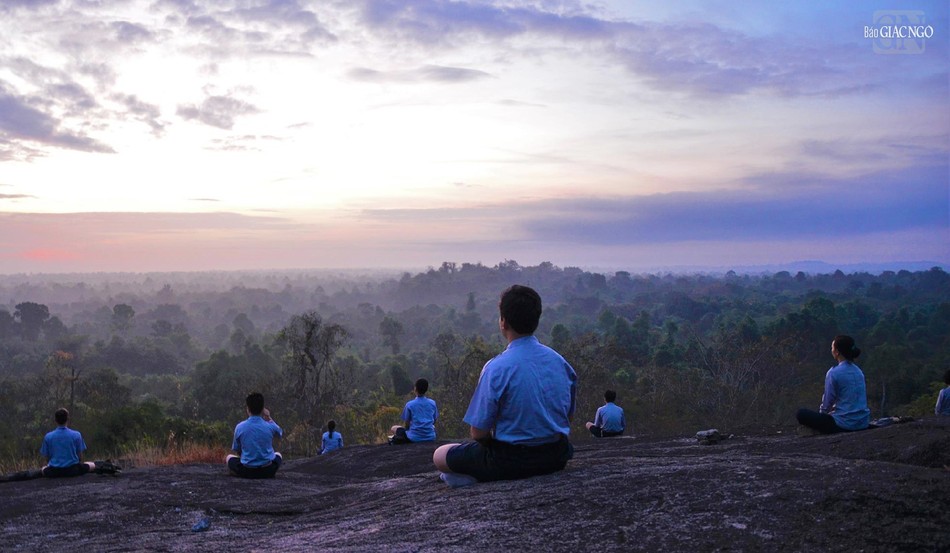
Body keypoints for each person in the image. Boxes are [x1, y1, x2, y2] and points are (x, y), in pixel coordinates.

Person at [433, 285, 577, 487]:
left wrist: (497, 448)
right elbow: (567, 418)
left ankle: (471, 477)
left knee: (440, 454)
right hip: (556, 457)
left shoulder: (496, 368)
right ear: (536, 319)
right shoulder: (561, 363)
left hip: (510, 461)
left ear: (503, 322)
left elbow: (478, 433)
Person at [796, 335, 870, 434]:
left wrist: (822, 417)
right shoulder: (858, 371)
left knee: (801, 413)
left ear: (837, 352)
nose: (831, 350)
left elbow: (827, 403)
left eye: (832, 347)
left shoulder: (834, 373)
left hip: (844, 425)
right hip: (863, 423)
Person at [226, 392, 283, 478]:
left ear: (248, 408)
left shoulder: (240, 427)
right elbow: (279, 433)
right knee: (278, 454)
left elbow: (237, 450)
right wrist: (269, 418)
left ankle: (238, 472)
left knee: (229, 457)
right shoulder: (270, 426)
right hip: (267, 470)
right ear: (262, 409)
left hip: (247, 471)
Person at [40, 408, 97, 478]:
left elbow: (46, 457)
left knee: (43, 469)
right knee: (92, 465)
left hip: (54, 471)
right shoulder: (76, 434)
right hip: (73, 470)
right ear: (67, 419)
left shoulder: (48, 436)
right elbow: (80, 456)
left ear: (55, 420)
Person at [390, 378, 438, 444]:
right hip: (430, 437)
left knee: (394, 428)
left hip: (414, 438)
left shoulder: (410, 404)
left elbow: (407, 424)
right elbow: (434, 420)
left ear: (415, 389)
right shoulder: (432, 403)